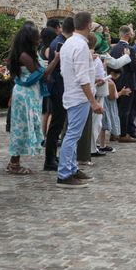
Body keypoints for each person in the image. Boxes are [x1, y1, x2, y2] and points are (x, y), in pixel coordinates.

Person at [56, 11, 103, 188]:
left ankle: (72, 167)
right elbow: (82, 77)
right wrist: (93, 101)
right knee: (72, 135)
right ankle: (64, 173)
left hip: (71, 93)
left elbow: (66, 71)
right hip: (80, 96)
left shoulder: (69, 43)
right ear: (89, 25)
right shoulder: (81, 46)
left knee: (72, 134)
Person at [6, 25, 59, 174]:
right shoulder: (25, 56)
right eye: (37, 36)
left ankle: (13, 162)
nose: (40, 39)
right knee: (21, 129)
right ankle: (14, 164)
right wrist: (56, 60)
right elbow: (42, 75)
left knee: (22, 128)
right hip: (25, 96)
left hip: (27, 94)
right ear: (30, 39)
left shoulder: (24, 53)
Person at [44, 17, 74, 171]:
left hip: (57, 86)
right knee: (56, 125)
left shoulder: (59, 41)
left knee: (57, 124)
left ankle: (51, 157)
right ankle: (49, 160)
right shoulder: (61, 43)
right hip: (58, 87)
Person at [109, 25, 136, 143]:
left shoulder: (114, 48)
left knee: (114, 108)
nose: (132, 35)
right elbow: (133, 68)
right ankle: (123, 133)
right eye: (131, 33)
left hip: (116, 80)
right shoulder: (130, 49)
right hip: (127, 81)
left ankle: (113, 133)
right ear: (127, 35)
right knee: (125, 109)